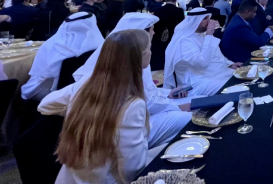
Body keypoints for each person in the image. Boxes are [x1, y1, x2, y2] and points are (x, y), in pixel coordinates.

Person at [39, 29, 150, 184]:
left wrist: (83, 116)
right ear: (139, 57)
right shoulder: (132, 105)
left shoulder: (85, 84)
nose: (151, 53)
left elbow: (44, 105)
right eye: (149, 49)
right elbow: (132, 170)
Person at [73, 13, 191, 148]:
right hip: (126, 126)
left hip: (142, 113)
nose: (154, 33)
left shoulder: (139, 56)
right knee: (189, 118)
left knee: (192, 103)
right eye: (152, 29)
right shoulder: (129, 61)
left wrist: (168, 94)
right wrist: (176, 107)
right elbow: (146, 103)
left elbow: (149, 92)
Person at [21, 12, 104, 101]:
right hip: (88, 96)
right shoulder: (102, 47)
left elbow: (40, 75)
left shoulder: (51, 45)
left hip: (49, 97)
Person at [164, 8, 241, 96]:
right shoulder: (184, 41)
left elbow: (216, 55)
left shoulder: (202, 35)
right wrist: (209, 35)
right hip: (197, 83)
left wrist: (229, 64)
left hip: (216, 74)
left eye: (208, 18)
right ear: (195, 21)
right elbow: (202, 63)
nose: (209, 21)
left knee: (246, 76)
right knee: (236, 87)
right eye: (205, 18)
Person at [150, 0, 185, 71]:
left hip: (158, 39)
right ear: (176, 0)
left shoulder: (158, 10)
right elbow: (182, 26)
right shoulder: (179, 11)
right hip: (174, 39)